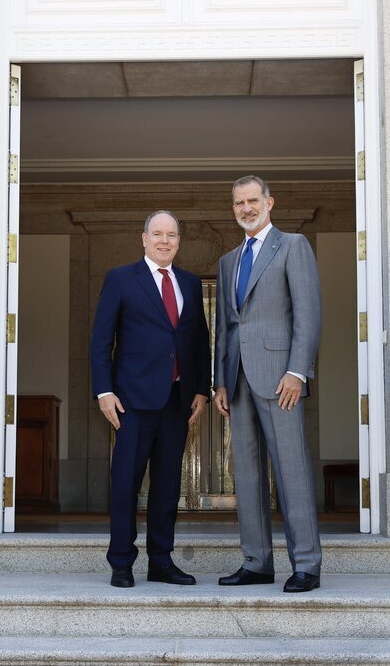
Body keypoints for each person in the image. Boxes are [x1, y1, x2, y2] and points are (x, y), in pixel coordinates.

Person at [213, 175, 323, 593]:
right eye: (239, 202)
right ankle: (256, 562)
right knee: (247, 475)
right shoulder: (228, 261)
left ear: (270, 202)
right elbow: (225, 326)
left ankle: (307, 565)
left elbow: (307, 314)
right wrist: (220, 381)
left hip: (281, 379)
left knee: (291, 469)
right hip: (238, 380)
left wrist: (297, 371)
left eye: (253, 200)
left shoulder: (293, 246)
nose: (246, 208)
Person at [90, 210, 211, 588]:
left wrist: (201, 390)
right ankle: (121, 563)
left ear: (178, 240)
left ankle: (161, 560)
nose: (164, 241)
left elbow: (199, 341)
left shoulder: (190, 284)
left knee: (167, 486)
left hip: (178, 401)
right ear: (144, 238)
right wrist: (104, 391)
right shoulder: (122, 279)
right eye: (157, 234)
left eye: (171, 235)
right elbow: (100, 341)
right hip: (132, 401)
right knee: (125, 482)